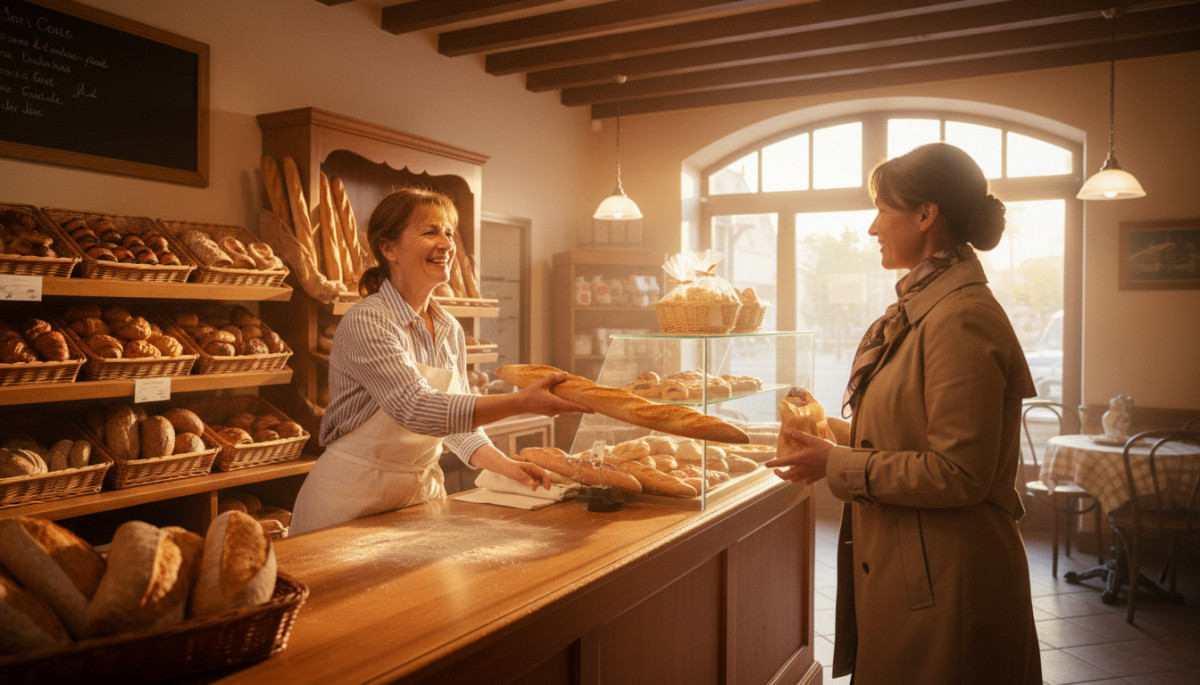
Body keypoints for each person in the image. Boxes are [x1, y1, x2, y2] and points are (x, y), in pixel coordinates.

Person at [765, 143, 1041, 683]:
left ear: (925, 214)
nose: (872, 228)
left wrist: (835, 464)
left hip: (949, 582)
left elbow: (959, 473)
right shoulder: (927, 305)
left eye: (882, 210)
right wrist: (822, 432)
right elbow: (907, 434)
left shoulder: (962, 318)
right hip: (921, 573)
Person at [291, 187, 590, 535]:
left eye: (449, 232)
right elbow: (417, 409)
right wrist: (521, 402)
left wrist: (506, 466)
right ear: (389, 249)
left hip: (417, 496)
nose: (448, 244)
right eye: (430, 231)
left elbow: (456, 426)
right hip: (351, 496)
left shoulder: (449, 329)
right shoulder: (368, 320)